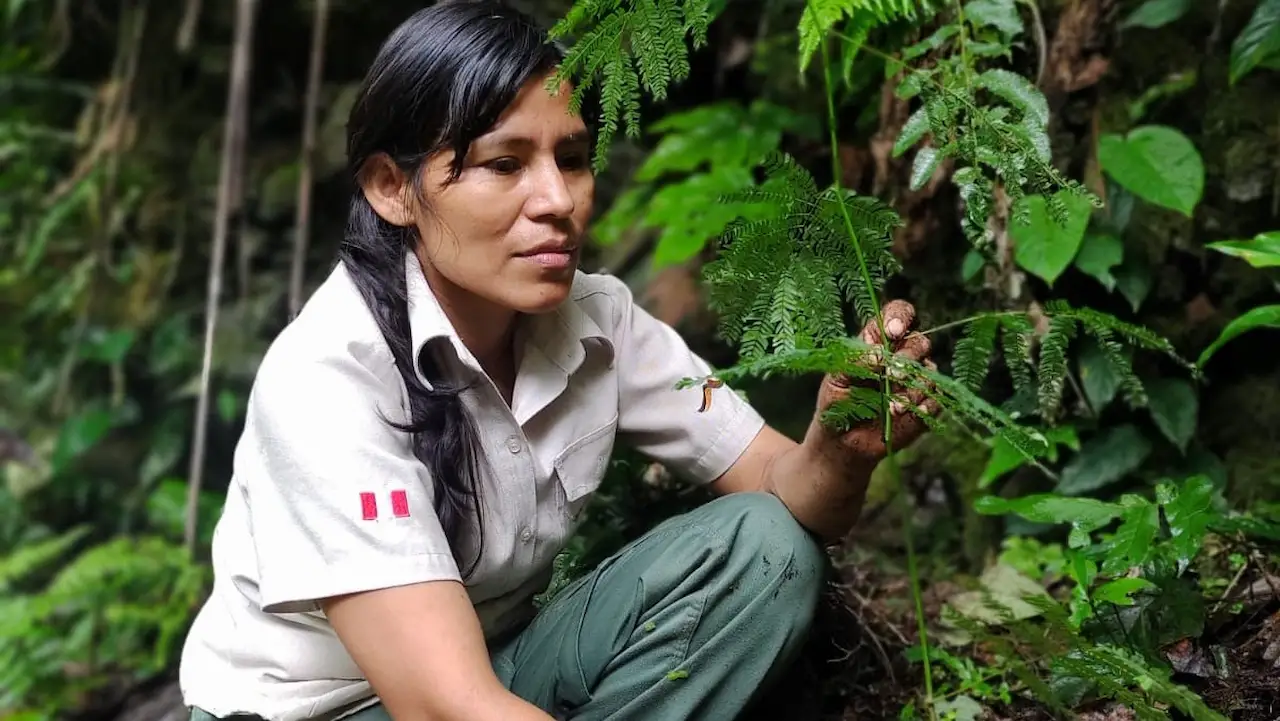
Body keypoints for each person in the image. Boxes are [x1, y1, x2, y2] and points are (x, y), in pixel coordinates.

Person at [177, 2, 938, 720]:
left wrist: (838, 449)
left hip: (490, 668)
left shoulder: (596, 316)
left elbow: (788, 493)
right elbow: (445, 706)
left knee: (767, 545)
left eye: (571, 159)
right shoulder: (329, 380)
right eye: (504, 165)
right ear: (391, 189)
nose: (557, 200)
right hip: (338, 707)